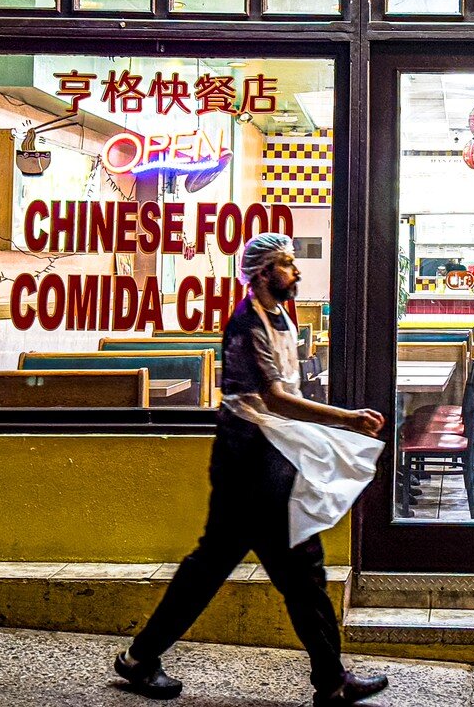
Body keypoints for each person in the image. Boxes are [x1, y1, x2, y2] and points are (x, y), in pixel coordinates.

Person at [114, 233, 388, 704]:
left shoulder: (281, 313)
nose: (296, 272)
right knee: (298, 567)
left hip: (267, 453)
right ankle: (332, 680)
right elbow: (276, 397)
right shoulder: (246, 324)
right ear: (262, 274)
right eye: (287, 264)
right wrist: (348, 418)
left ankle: (141, 658)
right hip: (248, 456)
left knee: (221, 565)